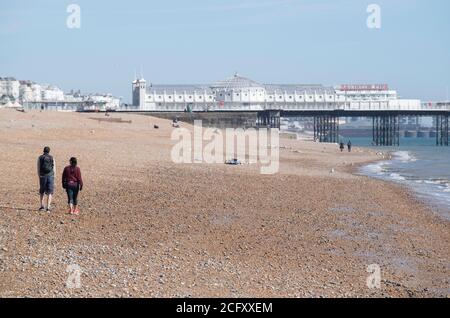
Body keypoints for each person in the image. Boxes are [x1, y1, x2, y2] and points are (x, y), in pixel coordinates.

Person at [37, 146, 56, 212]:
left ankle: (42, 206)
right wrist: (54, 176)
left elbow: (38, 167)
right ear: (49, 151)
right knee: (49, 192)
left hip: (42, 176)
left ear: (43, 151)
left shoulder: (40, 157)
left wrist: (39, 175)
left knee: (42, 191)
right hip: (50, 176)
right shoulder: (52, 157)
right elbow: (54, 168)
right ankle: (48, 207)